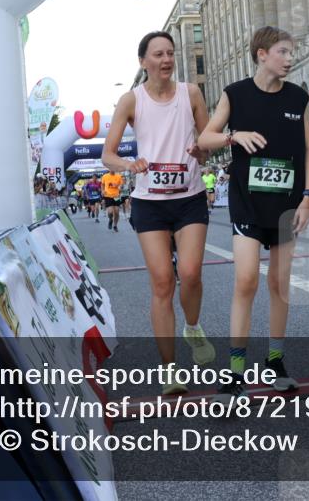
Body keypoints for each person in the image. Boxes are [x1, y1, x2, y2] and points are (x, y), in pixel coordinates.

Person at [198, 26, 309, 401]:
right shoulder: (236, 94)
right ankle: (235, 372)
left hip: (287, 203)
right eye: (283, 51)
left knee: (280, 284)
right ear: (262, 54)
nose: (290, 58)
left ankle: (275, 360)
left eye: (291, 52)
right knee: (246, 280)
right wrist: (234, 137)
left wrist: (308, 196)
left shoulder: (299, 97)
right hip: (247, 200)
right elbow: (205, 138)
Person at [103, 30, 214, 395]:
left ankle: (193, 327)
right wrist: (128, 164)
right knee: (163, 282)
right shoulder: (130, 100)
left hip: (190, 196)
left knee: (191, 272)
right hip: (150, 201)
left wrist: (201, 152)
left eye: (170, 53)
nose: (166, 60)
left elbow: (207, 141)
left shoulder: (191, 93)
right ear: (143, 61)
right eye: (158, 54)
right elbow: (108, 154)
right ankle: (170, 371)